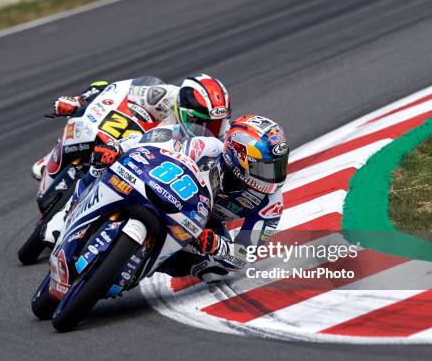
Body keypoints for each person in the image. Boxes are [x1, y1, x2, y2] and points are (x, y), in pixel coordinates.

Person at [46, 114, 289, 283]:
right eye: (267, 167)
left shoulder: (271, 202)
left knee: (216, 267)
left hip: (203, 223)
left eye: (278, 165)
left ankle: (149, 264)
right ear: (239, 157)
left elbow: (244, 254)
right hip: (164, 187)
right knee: (104, 162)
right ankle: (67, 213)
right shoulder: (206, 147)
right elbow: (154, 138)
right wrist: (118, 148)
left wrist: (217, 245)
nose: (274, 175)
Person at [31, 74, 231, 181]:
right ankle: (55, 153)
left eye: (216, 123)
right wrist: (80, 102)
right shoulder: (164, 95)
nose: (210, 128)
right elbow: (116, 90)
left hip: (164, 169)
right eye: (203, 122)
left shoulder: (223, 139)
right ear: (182, 110)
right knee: (101, 93)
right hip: (144, 137)